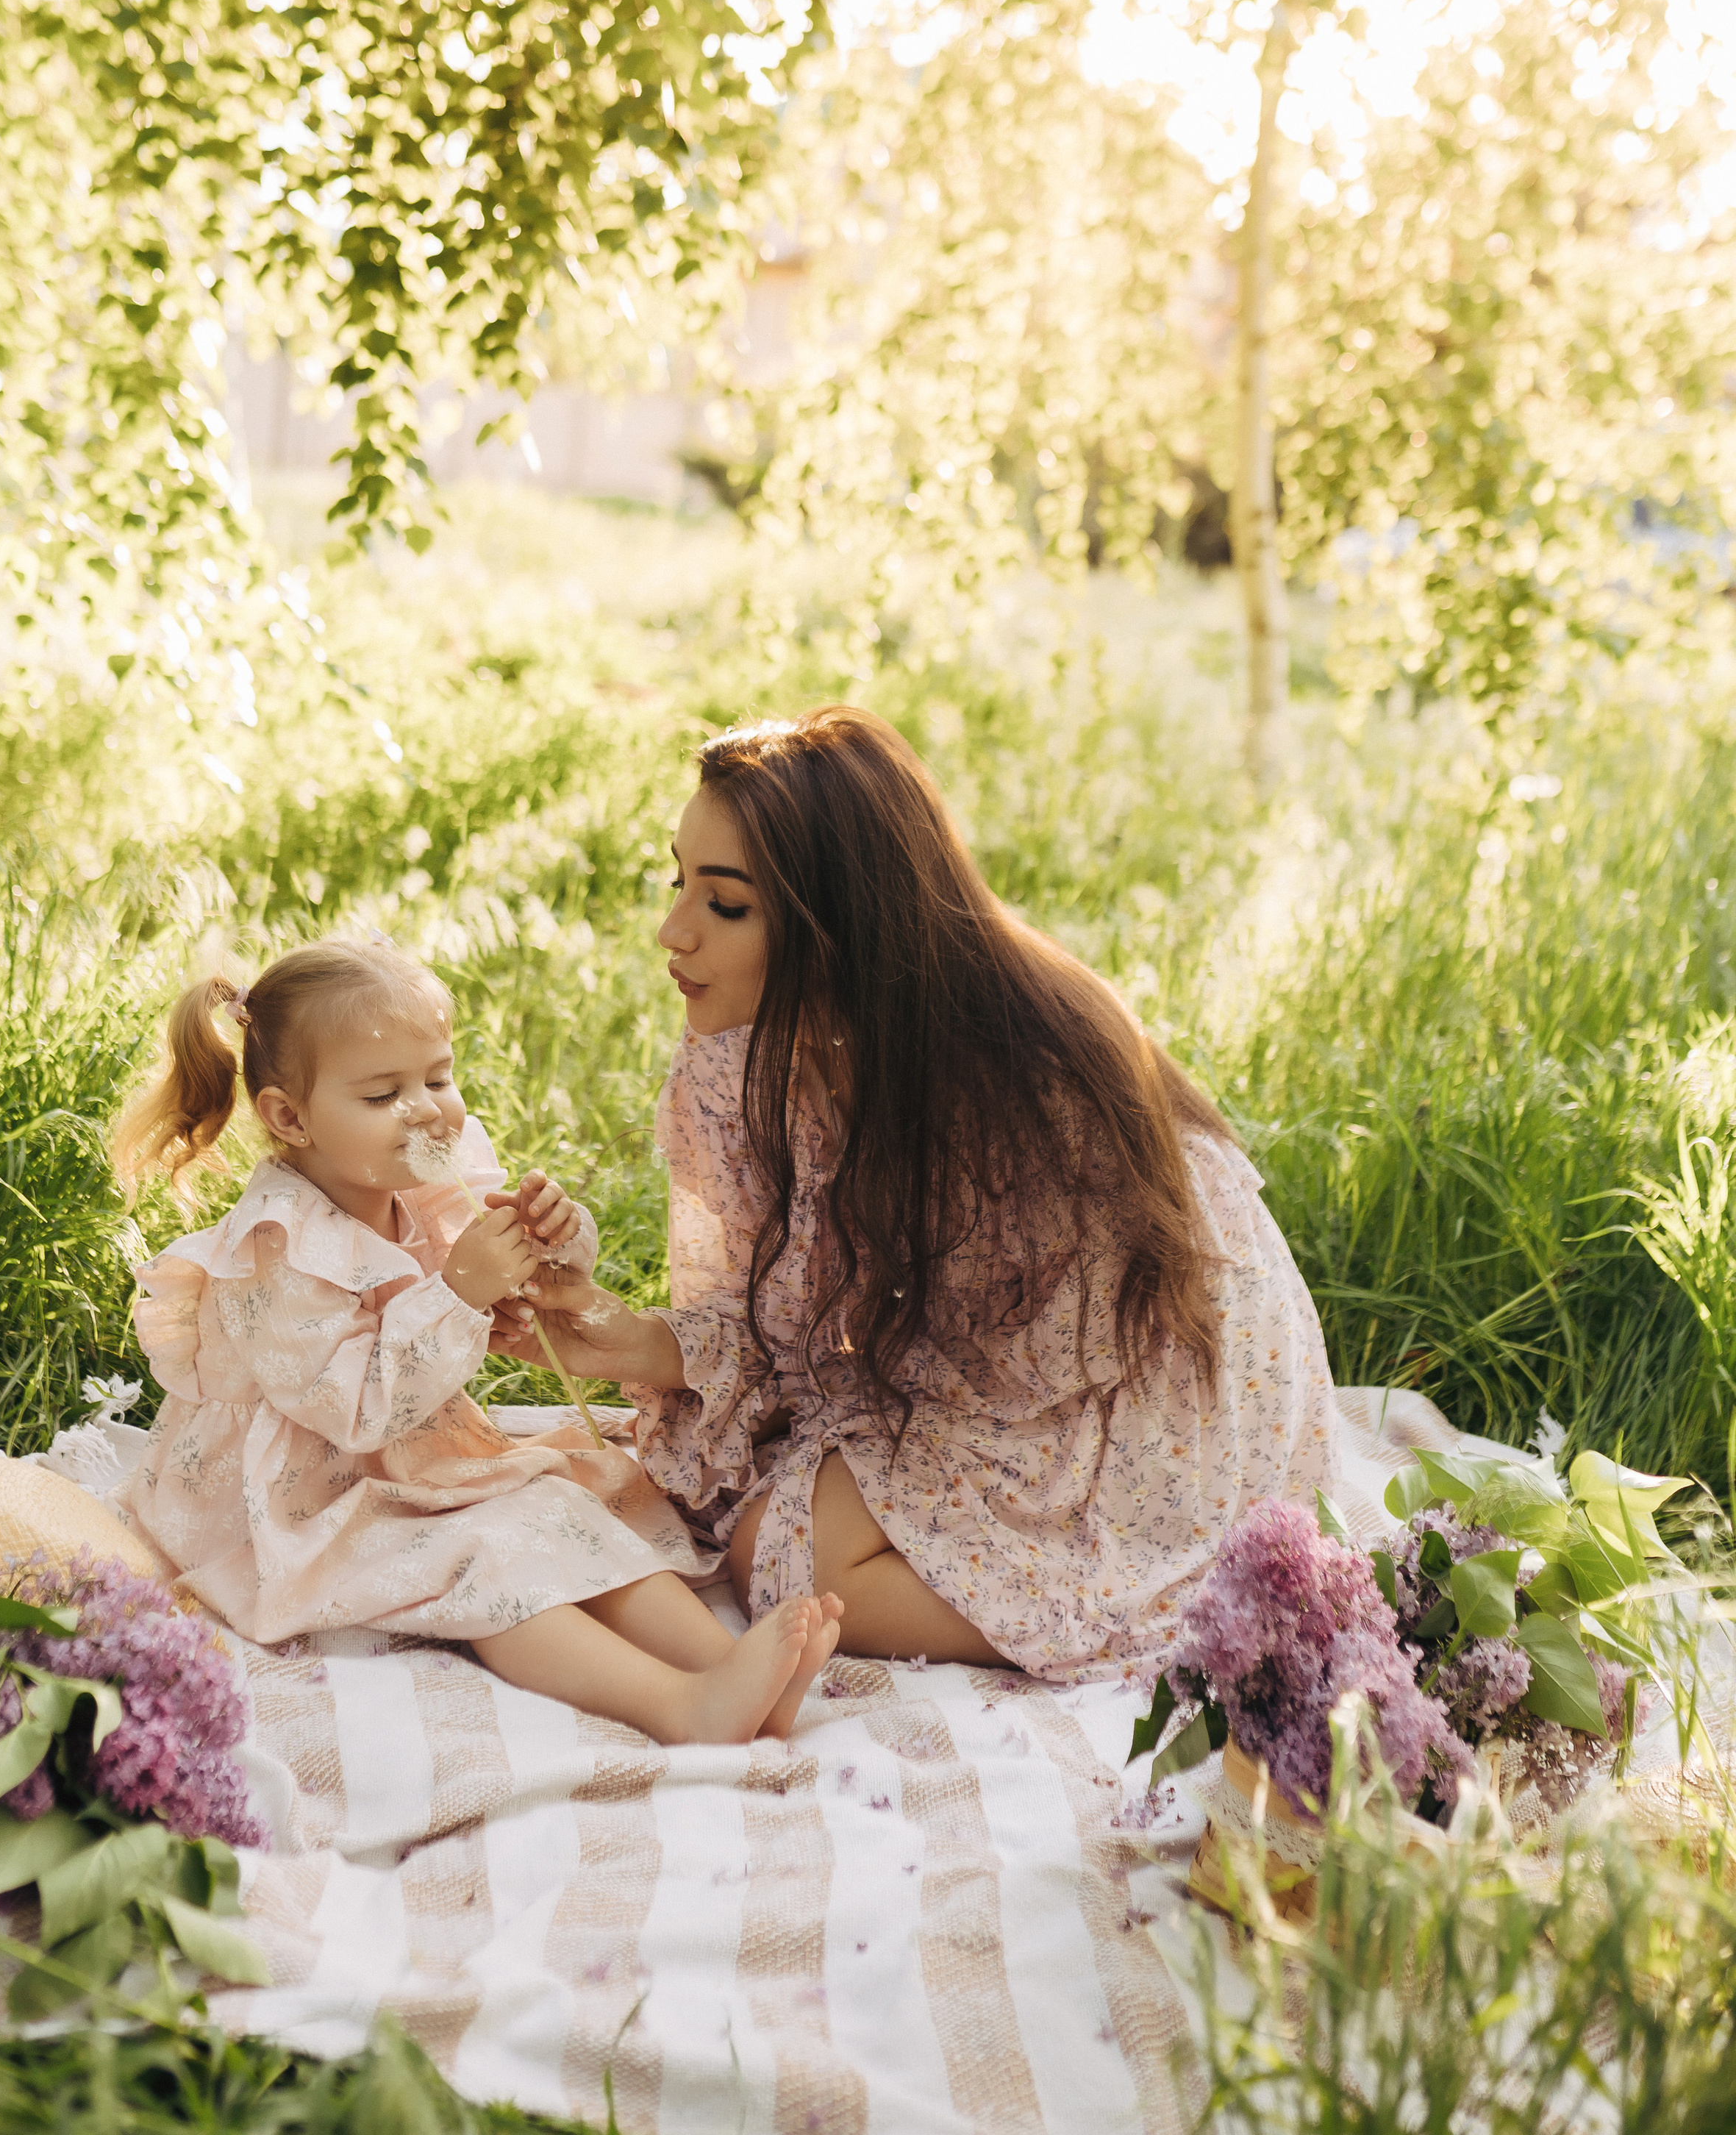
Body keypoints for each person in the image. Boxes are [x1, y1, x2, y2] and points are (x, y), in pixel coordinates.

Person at [496, 707, 1340, 1683]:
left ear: (836, 927)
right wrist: (627, 1340)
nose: (671, 931)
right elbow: (801, 1315)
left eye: (726, 905)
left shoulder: (1008, 1090)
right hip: (993, 1357)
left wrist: (824, 1433)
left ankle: (1155, 1605)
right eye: (678, 881)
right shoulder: (762, 1060)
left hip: (1150, 1384)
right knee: (770, 1530)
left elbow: (1009, 1363)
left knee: (783, 1551)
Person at [110, 938, 841, 1743]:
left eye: (438, 1077)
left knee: (561, 1505)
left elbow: (500, 1268)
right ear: (290, 1116)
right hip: (307, 1499)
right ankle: (677, 1705)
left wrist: (549, 1241)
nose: (427, 1109)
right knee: (491, 1559)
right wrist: (459, 1294)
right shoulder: (276, 1252)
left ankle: (729, 1669)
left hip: (411, 1460)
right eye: (385, 1093)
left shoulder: (417, 1175)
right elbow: (353, 1410)